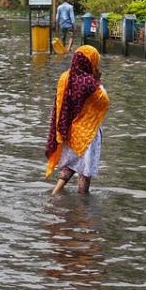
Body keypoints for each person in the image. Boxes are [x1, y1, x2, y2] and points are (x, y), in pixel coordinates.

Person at [45, 45, 109, 195]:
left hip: (69, 131)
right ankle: (82, 205)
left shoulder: (64, 77)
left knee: (70, 165)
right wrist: (98, 81)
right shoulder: (90, 83)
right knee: (85, 172)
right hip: (87, 134)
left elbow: (59, 103)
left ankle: (55, 193)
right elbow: (104, 101)